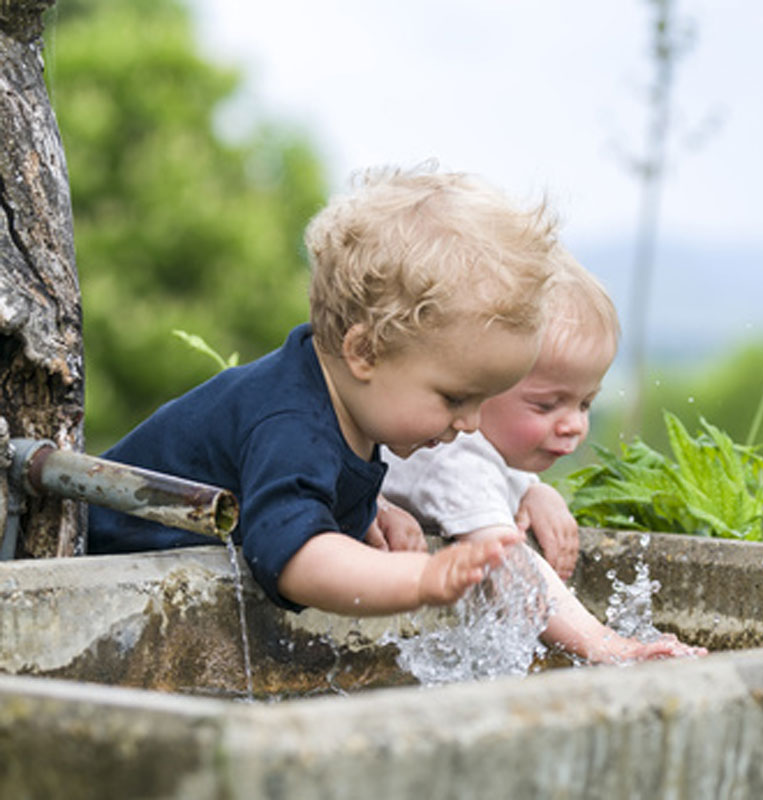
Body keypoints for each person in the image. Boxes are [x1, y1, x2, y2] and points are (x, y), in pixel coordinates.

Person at [88, 165, 559, 616]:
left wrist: (371, 506)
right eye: (455, 398)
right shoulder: (290, 422)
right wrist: (417, 579)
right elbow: (295, 556)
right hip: (95, 579)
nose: (471, 424)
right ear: (366, 352)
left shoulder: (336, 395)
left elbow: (293, 485)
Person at [381, 253, 707, 662]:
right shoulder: (449, 457)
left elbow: (492, 482)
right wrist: (609, 646)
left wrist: (534, 491)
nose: (573, 424)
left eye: (586, 403)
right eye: (547, 405)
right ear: (480, 385)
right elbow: (512, 569)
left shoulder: (475, 452)